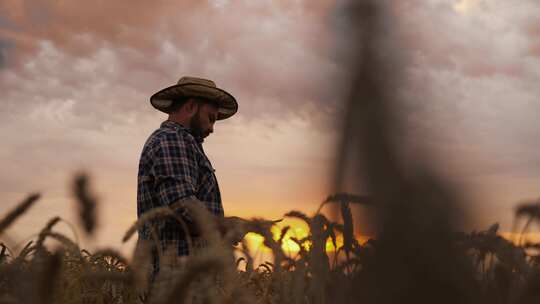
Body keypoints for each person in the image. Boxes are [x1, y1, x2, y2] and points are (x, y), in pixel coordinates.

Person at [136, 76, 238, 280]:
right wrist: (228, 226)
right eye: (210, 118)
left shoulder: (182, 143)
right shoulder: (172, 140)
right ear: (191, 106)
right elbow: (183, 208)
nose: (212, 128)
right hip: (177, 278)